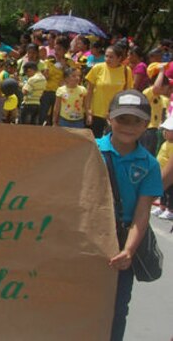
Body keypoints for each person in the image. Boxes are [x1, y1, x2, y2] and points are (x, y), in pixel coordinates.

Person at [97, 90, 161, 341]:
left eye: (136, 121)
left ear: (147, 124)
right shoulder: (89, 150)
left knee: (117, 309)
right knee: (79, 300)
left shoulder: (149, 164)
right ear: (109, 118)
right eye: (122, 119)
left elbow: (142, 213)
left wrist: (129, 251)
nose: (129, 126)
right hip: (89, 241)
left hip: (121, 246)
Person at [85, 45, 133, 139]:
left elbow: (127, 94)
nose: (107, 59)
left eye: (111, 57)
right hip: (96, 113)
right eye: (106, 56)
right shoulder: (97, 68)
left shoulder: (126, 71)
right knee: (94, 142)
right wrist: (88, 111)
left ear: (119, 58)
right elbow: (89, 91)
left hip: (115, 114)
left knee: (111, 143)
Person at [153, 117, 173, 219]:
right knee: (162, 192)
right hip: (161, 171)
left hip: (169, 176)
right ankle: (162, 207)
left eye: (168, 131)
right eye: (164, 130)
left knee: (170, 193)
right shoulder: (165, 143)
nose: (164, 133)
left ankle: (170, 210)